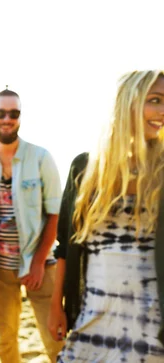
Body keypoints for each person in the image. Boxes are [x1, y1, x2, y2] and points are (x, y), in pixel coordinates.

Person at [49, 70, 164, 362]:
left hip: (149, 331)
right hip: (90, 320)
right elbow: (65, 244)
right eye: (155, 100)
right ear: (128, 103)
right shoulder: (84, 169)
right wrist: (56, 306)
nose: (162, 110)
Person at [0, 88, 64, 362]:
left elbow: (54, 214)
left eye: (13, 113)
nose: (7, 119)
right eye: (1, 113)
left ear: (20, 117)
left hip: (40, 264)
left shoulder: (41, 158)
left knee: (55, 338)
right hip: (0, 270)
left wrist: (38, 262)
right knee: (6, 339)